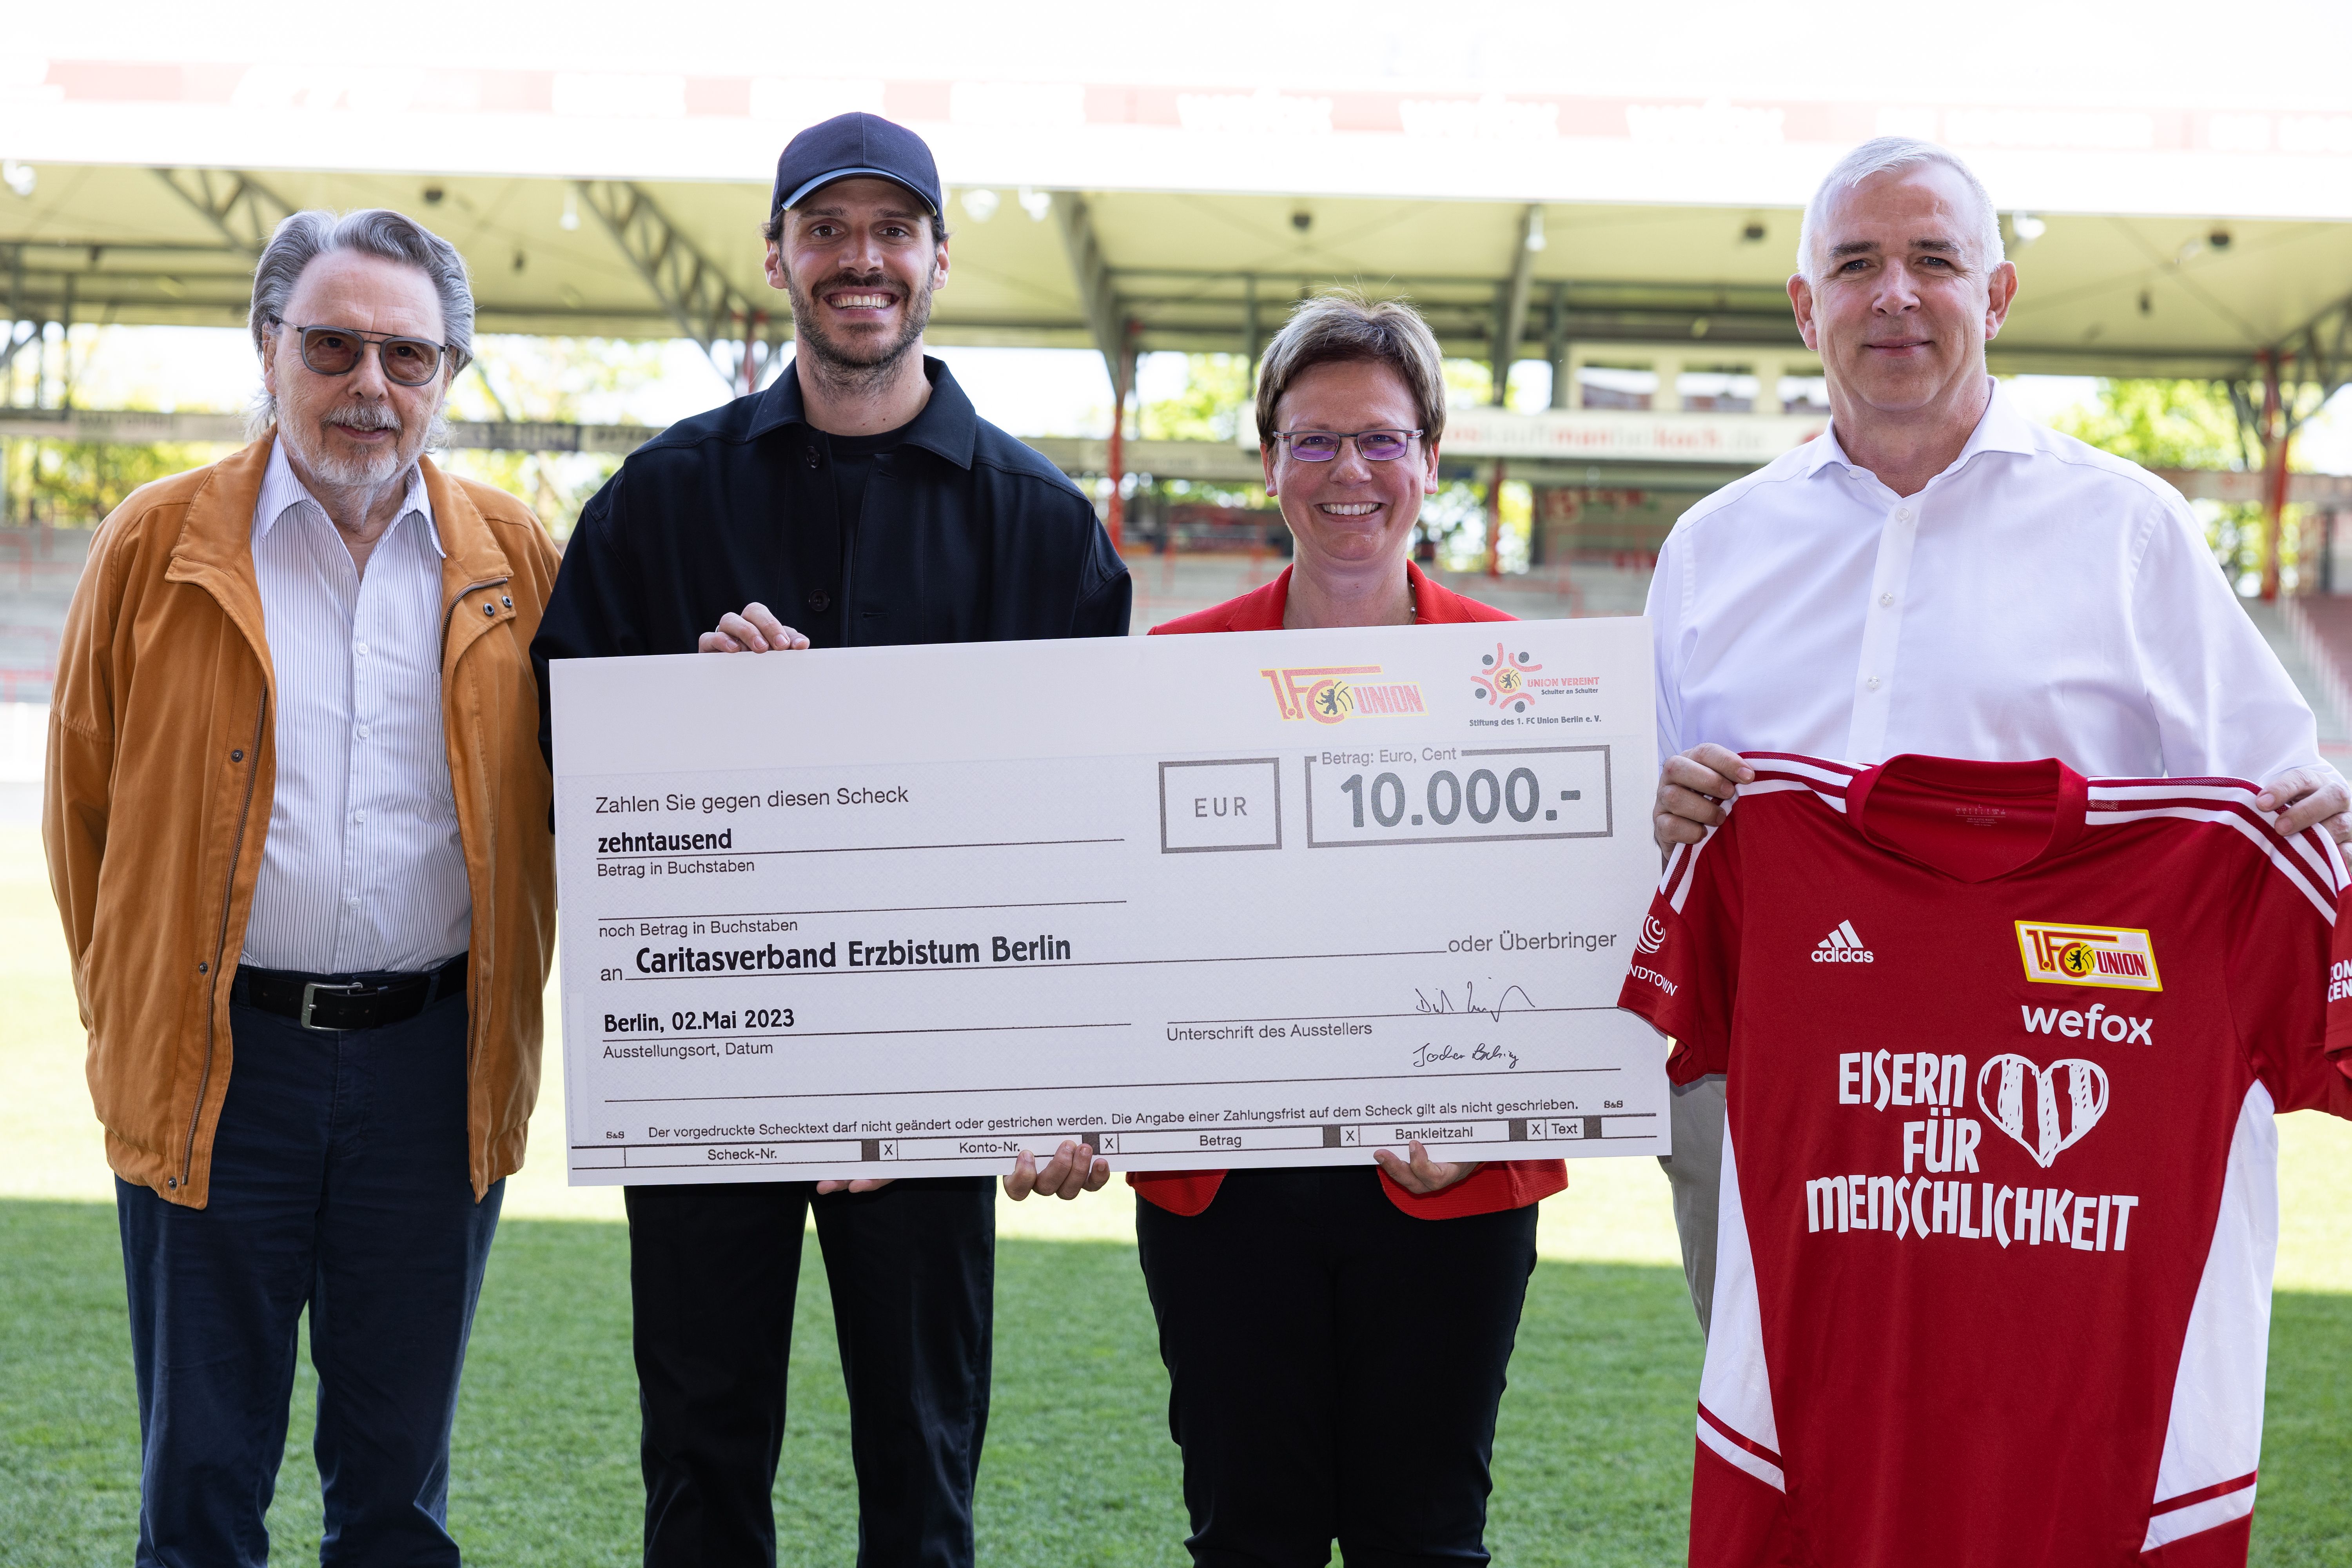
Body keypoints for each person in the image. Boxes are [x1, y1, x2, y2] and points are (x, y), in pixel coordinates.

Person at [529, 112, 1128, 1568]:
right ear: (782, 256)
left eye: (891, 231)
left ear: (933, 256)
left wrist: (1019, 1077)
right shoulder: (662, 500)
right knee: (701, 1461)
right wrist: (698, 721)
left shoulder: (1041, 525)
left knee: (922, 1478)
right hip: (714, 1074)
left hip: (933, 1104)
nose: (861, 260)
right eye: (827, 230)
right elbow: (565, 752)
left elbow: (1090, 825)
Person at [1646, 135, 2351, 1338]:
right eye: (1859, 263)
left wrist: (2324, 809)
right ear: (1807, 305)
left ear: (1998, 294)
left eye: (1936, 259)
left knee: (2022, 1438)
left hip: (2046, 1099)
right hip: (1769, 1081)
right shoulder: (1714, 549)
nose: (1897, 295)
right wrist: (1668, 818)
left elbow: (2282, 796)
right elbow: (1644, 839)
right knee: (1791, 1444)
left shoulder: (2131, 533)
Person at [44, 209, 560, 1564]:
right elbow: (82, 821)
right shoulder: (152, 548)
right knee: (202, 1487)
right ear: (268, 349)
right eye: (333, 346)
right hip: (220, 1069)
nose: (370, 387)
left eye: (408, 356)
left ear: (449, 373)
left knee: (396, 1497)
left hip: (434, 1072)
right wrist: (139, 1022)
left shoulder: (515, 559)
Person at [1129, 291, 1564, 1568]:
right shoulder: (1170, 666)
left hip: (1452, 1179)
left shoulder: (1535, 678)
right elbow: (1124, 926)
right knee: (1245, 1537)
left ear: (1432, 458)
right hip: (1226, 1191)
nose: (1348, 472)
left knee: (1425, 1538)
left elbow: (1571, 943)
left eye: (1379, 439)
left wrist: (1490, 1115)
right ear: (1269, 462)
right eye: (1312, 441)